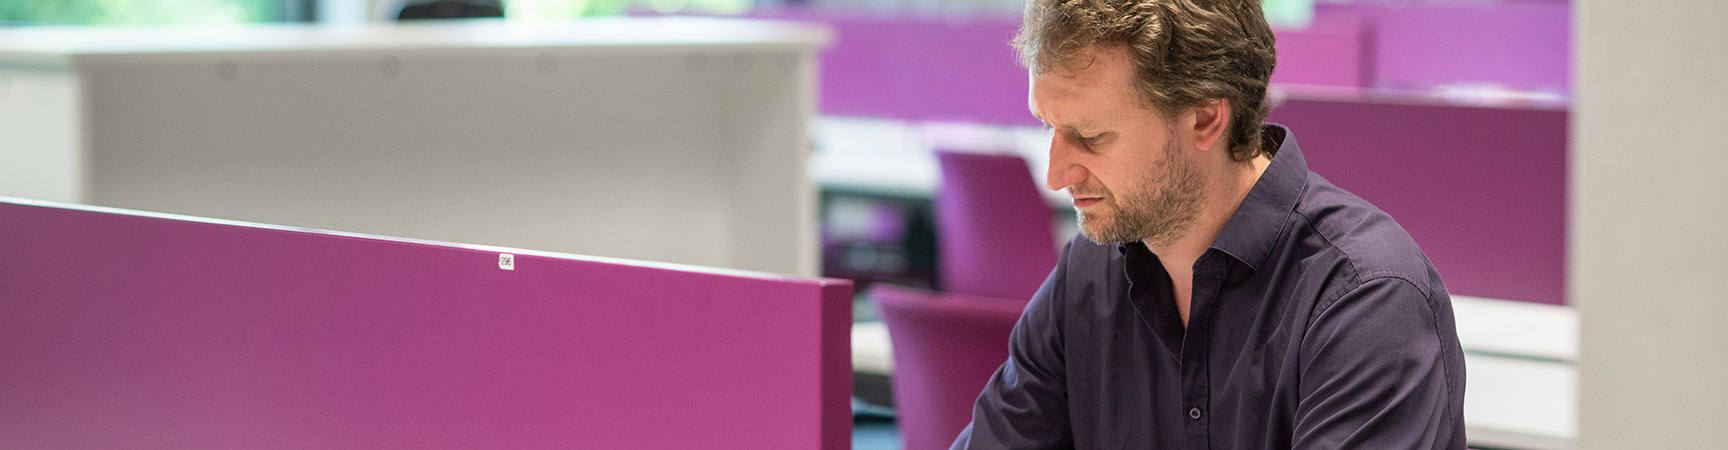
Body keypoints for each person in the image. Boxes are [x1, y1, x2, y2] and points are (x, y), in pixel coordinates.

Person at [950, 0, 1467, 448]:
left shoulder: (1366, 298)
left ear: (1205, 118)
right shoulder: (1088, 273)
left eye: (1091, 136)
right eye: (1050, 128)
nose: (1056, 173)